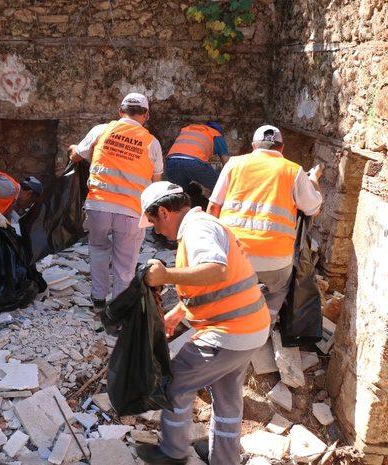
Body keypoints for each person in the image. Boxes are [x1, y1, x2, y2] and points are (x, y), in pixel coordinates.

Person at [136, 181, 271, 465]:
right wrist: (180, 312)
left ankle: (172, 454)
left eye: (154, 223)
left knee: (175, 384)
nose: (157, 231)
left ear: (163, 212)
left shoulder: (197, 230)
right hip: (250, 328)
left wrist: (165, 276)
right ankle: (225, 459)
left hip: (229, 333)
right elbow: (217, 286)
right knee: (227, 399)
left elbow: (216, 271)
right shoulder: (203, 225)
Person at [207, 125, 323, 323]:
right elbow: (313, 209)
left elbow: (213, 208)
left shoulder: (234, 164)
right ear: (282, 148)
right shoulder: (294, 171)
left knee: (228, 290)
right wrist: (314, 181)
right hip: (274, 262)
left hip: (234, 255)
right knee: (278, 289)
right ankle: (262, 326)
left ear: (253, 146)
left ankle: (228, 322)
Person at [69, 92, 163, 311]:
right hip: (131, 212)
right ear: (146, 115)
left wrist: (73, 148)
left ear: (120, 111)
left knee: (98, 250)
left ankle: (98, 300)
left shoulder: (101, 130)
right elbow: (156, 181)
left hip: (98, 207)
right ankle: (118, 311)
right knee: (125, 263)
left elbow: (76, 156)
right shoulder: (152, 143)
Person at [164, 121, 229, 206]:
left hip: (171, 162)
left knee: (177, 195)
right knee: (222, 188)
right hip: (194, 162)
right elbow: (228, 165)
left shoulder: (189, 129)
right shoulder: (216, 134)